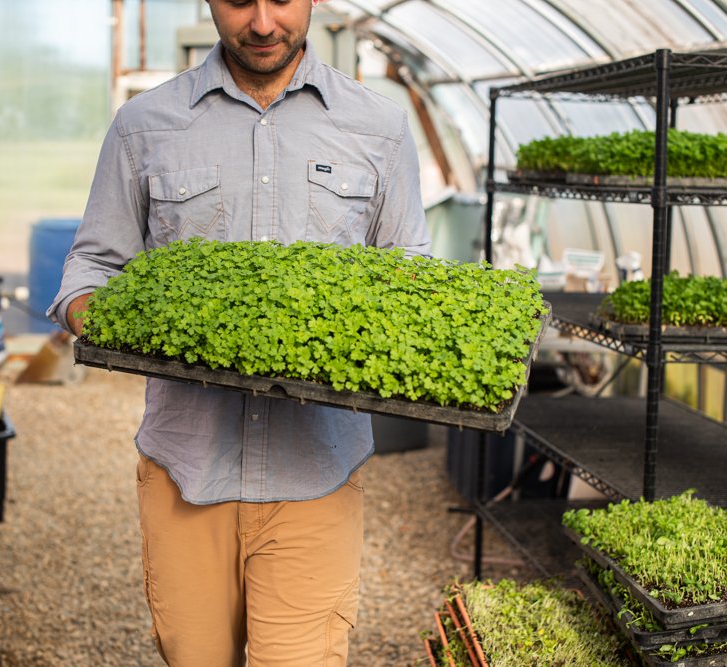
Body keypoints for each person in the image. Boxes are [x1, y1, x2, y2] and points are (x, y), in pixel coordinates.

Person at [48, 0, 431, 665]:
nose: (260, 23)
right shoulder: (146, 125)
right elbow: (95, 262)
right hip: (187, 470)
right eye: (238, 1)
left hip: (315, 471)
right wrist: (95, 312)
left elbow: (409, 276)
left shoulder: (379, 127)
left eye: (281, 0)